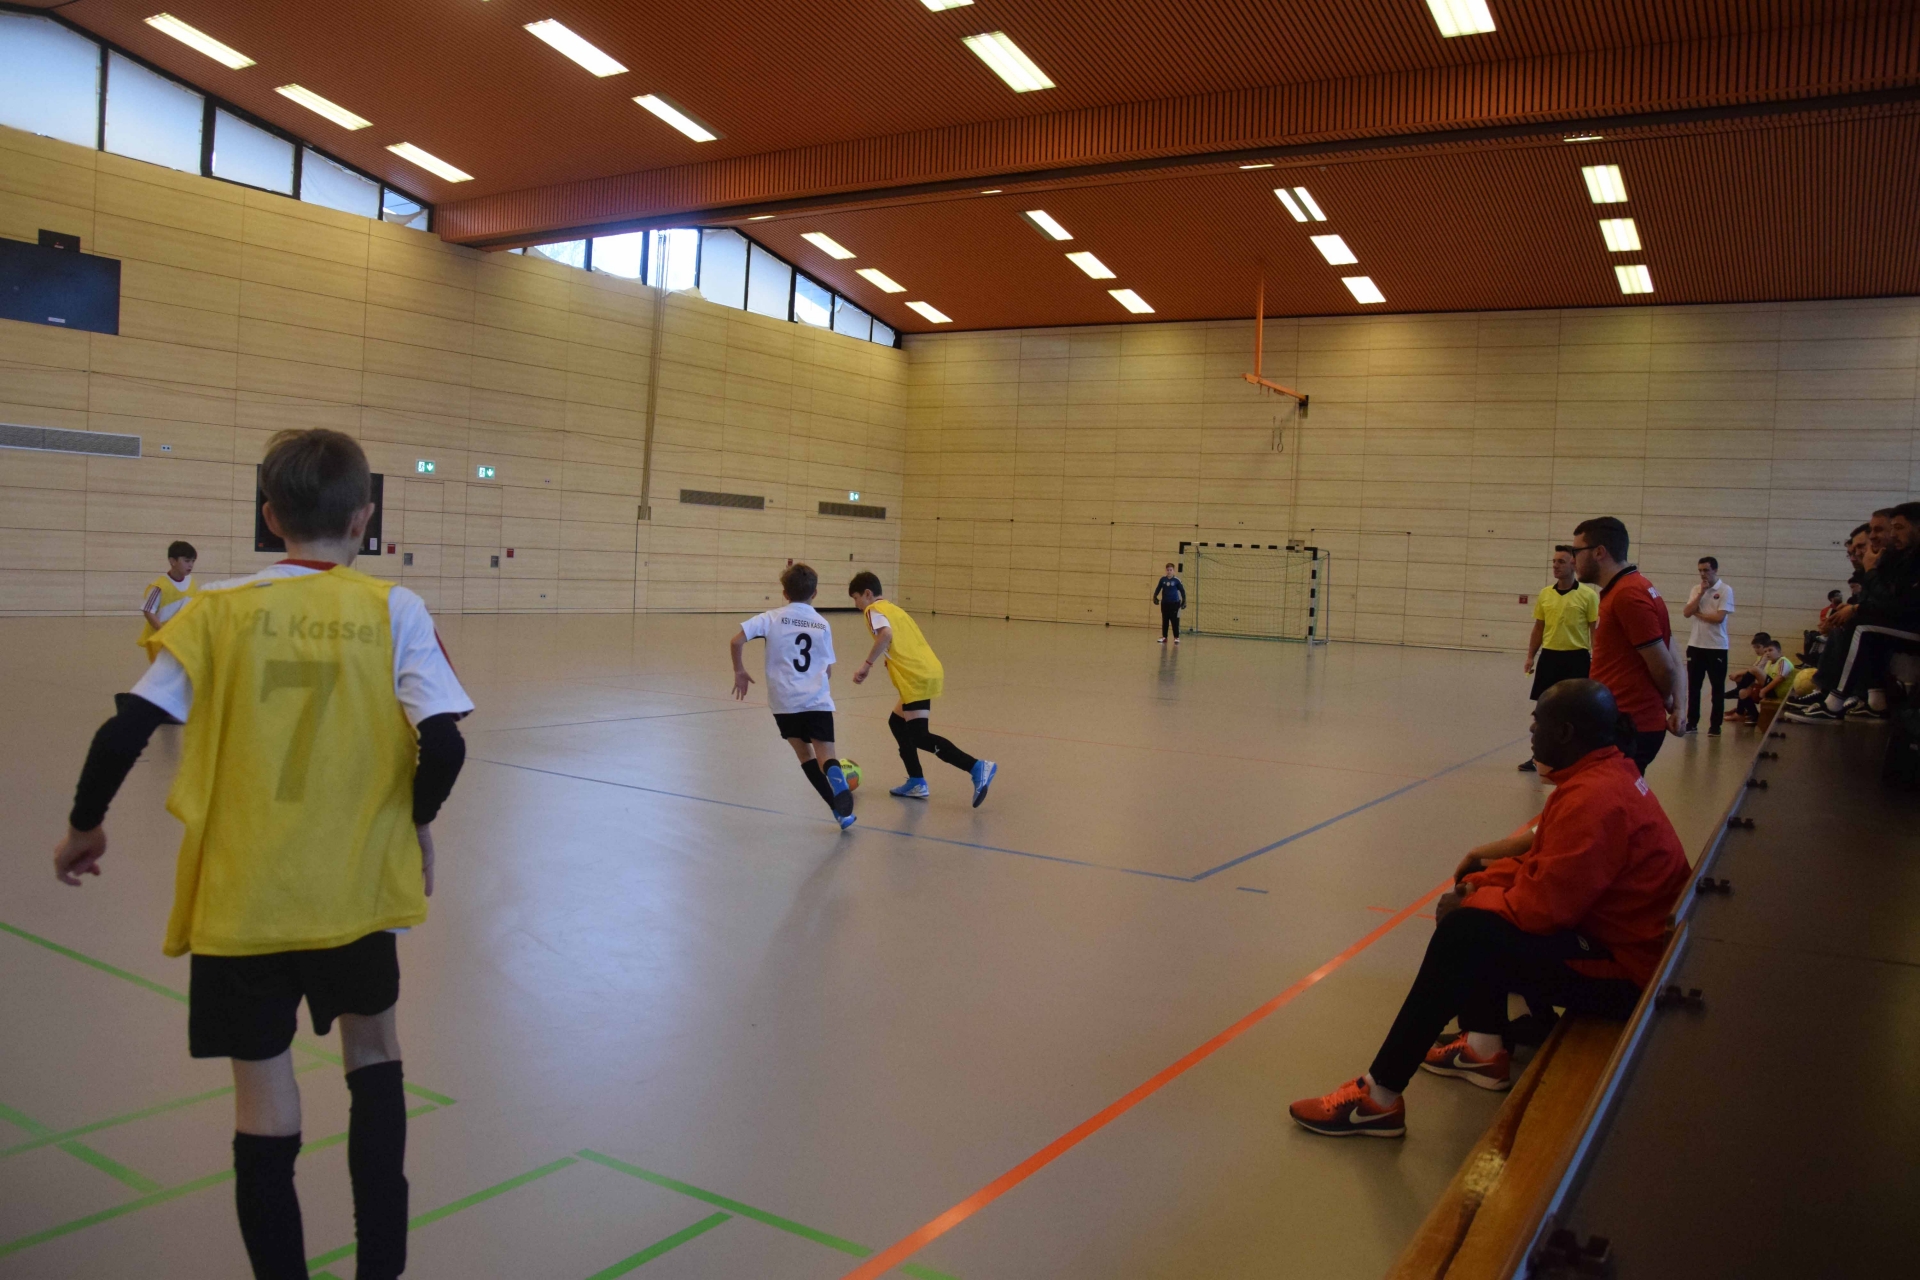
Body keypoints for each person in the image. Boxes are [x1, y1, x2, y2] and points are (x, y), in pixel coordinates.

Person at [51, 429, 472, 1280]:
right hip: (356, 892)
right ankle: (380, 1268)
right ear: (364, 519)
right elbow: (445, 743)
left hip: (242, 902)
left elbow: (123, 730)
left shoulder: (214, 610)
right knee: (375, 1058)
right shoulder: (394, 608)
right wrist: (416, 821)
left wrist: (85, 824)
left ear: (270, 516)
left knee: (263, 1104)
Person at [1287, 680, 1691, 1138]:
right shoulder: (1604, 773)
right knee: (1476, 908)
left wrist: (1471, 900)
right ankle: (1481, 1048)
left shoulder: (1594, 799)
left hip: (1632, 976)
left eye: (1537, 724)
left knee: (1466, 932)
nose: (1531, 734)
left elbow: (1541, 910)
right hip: (1622, 944)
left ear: (1565, 732)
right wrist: (1479, 882)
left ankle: (1378, 1097)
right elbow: (1544, 865)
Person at [848, 571, 998, 805]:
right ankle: (916, 781)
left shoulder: (873, 610)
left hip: (916, 677)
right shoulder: (895, 609)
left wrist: (867, 665)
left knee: (919, 735)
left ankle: (977, 767)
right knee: (897, 723)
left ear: (867, 594)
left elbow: (885, 634)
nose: (856, 604)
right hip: (925, 671)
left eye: (856, 598)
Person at [730, 561, 855, 830]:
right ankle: (835, 772)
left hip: (785, 702)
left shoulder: (771, 618)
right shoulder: (822, 624)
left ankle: (839, 812)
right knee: (825, 756)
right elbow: (827, 669)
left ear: (785, 593)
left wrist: (739, 670)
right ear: (815, 593)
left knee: (805, 756)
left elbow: (736, 640)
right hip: (816, 700)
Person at [1785, 502, 1920, 724]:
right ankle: (1875, 703)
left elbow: (1900, 605)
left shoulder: (1907, 560)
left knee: (1862, 626)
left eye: (1898, 527)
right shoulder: (1904, 558)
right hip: (1907, 623)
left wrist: (1870, 574)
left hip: (1913, 625)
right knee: (1857, 622)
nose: (1889, 535)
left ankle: (1833, 703)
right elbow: (1888, 601)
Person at [1570, 516, 1686, 773]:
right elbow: (1674, 652)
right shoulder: (1636, 587)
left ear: (1599, 552)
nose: (1572, 560)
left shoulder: (1627, 595)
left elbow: (1666, 666)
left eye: (1576, 551)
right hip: (1625, 723)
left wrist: (1669, 698)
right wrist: (1678, 705)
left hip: (1630, 726)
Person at [1518, 546, 1599, 772]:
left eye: (1561, 562)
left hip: (1577, 658)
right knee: (1543, 710)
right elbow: (1539, 627)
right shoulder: (1545, 594)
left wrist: (1598, 659)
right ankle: (1538, 757)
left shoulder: (1588, 595)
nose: (1555, 566)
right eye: (1553, 561)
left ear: (1573, 564)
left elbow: (1594, 630)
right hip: (1550, 658)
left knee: (1576, 710)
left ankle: (1577, 758)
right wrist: (1530, 656)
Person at [1681, 556, 1735, 736]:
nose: (1703, 574)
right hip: (1695, 645)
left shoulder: (1725, 590)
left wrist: (1699, 614)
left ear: (1715, 570)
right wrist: (1701, 594)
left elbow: (1719, 618)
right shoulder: (1696, 589)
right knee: (1694, 687)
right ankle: (1692, 722)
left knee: (1717, 688)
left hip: (1716, 647)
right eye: (1700, 571)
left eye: (1706, 570)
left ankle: (1715, 726)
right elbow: (1687, 613)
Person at [139, 539, 199, 656]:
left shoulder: (191, 581)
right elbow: (147, 610)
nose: (191, 565)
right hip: (163, 641)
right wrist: (163, 632)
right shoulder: (160, 586)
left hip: (183, 638)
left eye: (193, 561)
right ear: (172, 561)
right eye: (187, 561)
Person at [1727, 633, 1793, 726]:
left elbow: (1779, 678)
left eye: (1770, 650)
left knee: (1754, 671)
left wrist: (1763, 690)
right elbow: (1761, 677)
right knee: (1743, 692)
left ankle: (1737, 692)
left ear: (1779, 651)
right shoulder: (1770, 662)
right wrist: (1751, 687)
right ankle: (1754, 716)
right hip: (1772, 689)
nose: (1767, 653)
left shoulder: (1782, 661)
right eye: (1766, 651)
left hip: (1779, 693)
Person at [1153, 562, 1186, 644]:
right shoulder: (1163, 579)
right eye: (1167, 570)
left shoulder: (1177, 580)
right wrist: (1155, 596)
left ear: (1173, 570)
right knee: (1165, 620)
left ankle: (1176, 637)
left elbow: (1182, 591)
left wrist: (1184, 600)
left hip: (1174, 603)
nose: (1169, 571)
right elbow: (1158, 588)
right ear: (1166, 570)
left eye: (1170, 570)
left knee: (1174, 621)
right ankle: (1164, 637)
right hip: (1165, 603)